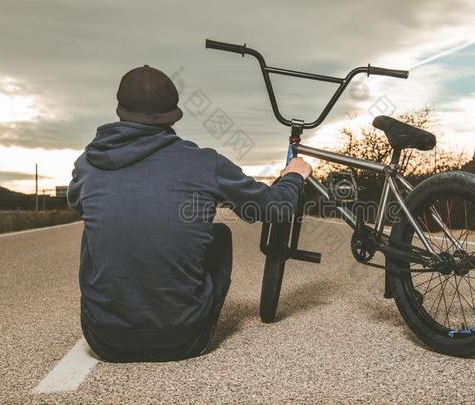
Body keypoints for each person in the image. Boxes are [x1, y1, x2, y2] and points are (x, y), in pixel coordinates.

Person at [68, 65, 312, 362]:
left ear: (121, 111)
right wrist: (294, 176)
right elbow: (274, 208)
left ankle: (119, 313)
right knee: (219, 234)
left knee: (96, 228)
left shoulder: (88, 164)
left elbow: (77, 204)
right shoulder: (204, 163)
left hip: (105, 341)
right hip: (185, 339)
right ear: (173, 115)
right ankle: (181, 311)